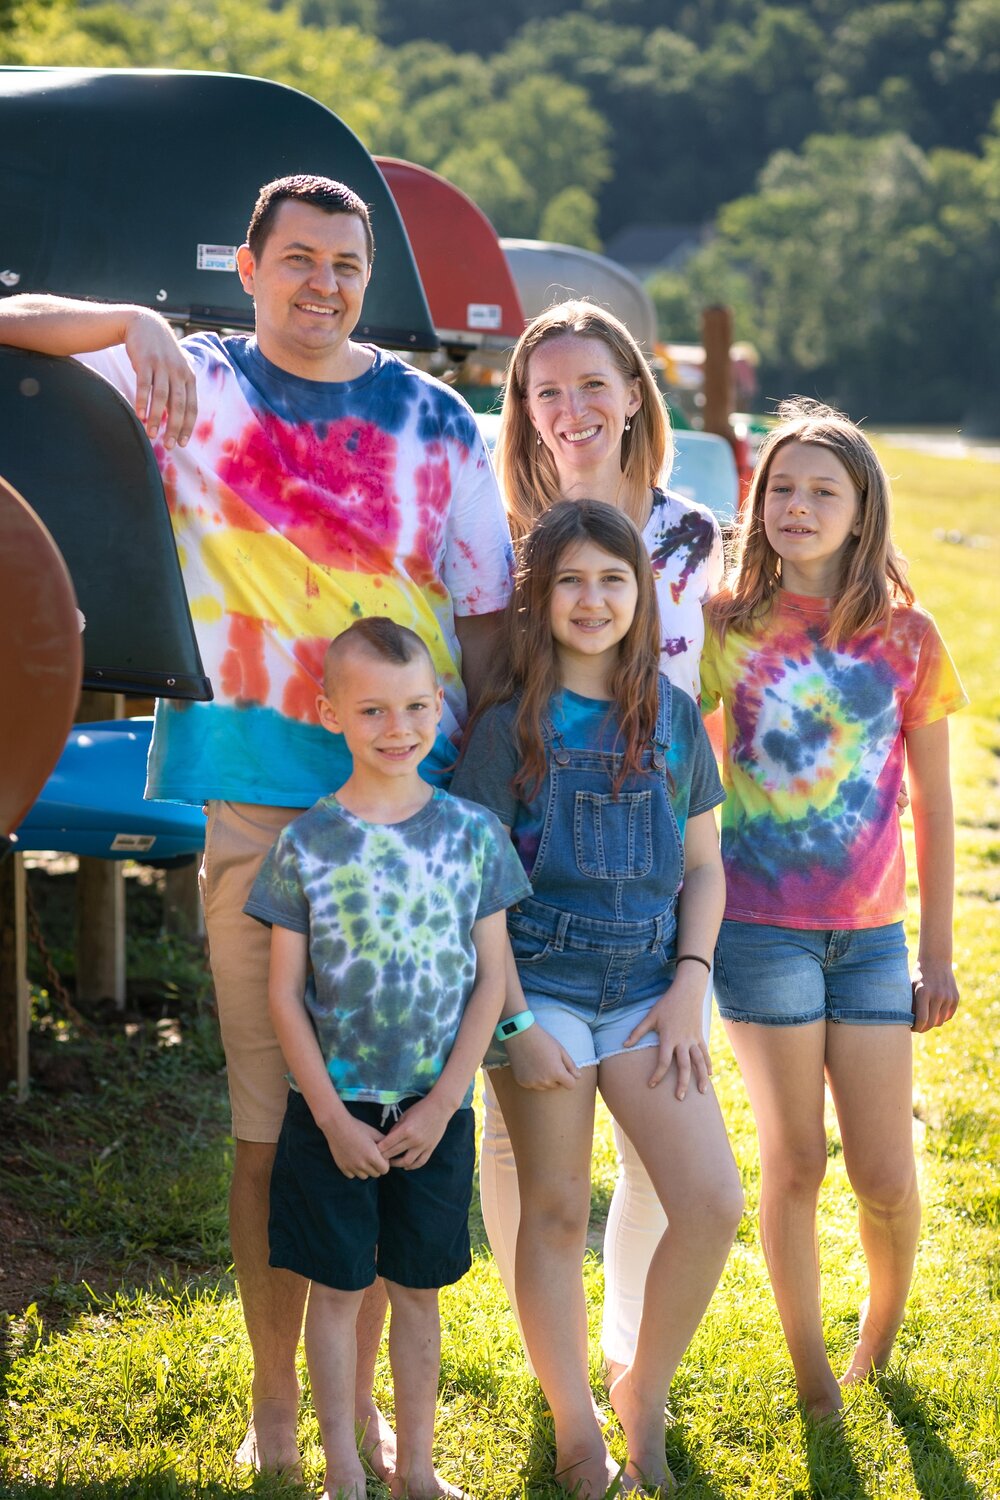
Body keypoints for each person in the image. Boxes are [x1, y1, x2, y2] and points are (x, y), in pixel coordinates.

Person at [0, 175, 514, 1475]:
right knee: (270, 1129)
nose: (324, 283)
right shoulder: (195, 383)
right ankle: (278, 1411)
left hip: (408, 819)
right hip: (259, 807)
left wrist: (486, 805)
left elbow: (492, 626)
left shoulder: (434, 421)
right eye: (298, 260)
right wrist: (129, 320)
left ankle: (391, 1430)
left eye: (345, 264)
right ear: (247, 265)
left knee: (402, 1125)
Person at [451, 501, 743, 1495]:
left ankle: (640, 1395)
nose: (592, 599)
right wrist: (517, 1022)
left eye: (611, 581)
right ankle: (577, 1430)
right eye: (570, 580)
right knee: (557, 1208)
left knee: (708, 1201)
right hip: (543, 985)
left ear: (641, 594)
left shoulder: (667, 715)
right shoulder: (504, 726)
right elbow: (481, 893)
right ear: (539, 598)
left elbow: (704, 867)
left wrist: (689, 987)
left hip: (650, 988)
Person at [701, 399, 966, 1419]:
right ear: (757, 503)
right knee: (795, 1158)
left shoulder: (907, 638)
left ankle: (877, 1338)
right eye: (782, 488)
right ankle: (810, 1371)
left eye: (824, 491)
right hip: (756, 932)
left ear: (862, 512)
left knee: (885, 1174)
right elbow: (688, 774)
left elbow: (936, 805)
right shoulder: (724, 625)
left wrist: (935, 958)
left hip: (869, 945)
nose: (798, 506)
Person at [485, 299, 725, 1381]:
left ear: (635, 393)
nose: (573, 409)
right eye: (548, 391)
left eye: (594, 385)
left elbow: (702, 678)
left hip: (655, 841)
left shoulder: (685, 535)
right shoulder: (498, 528)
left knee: (660, 1160)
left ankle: (632, 1355)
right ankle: (558, 1374)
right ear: (525, 412)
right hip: (534, 857)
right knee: (535, 1166)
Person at [244, 617, 530, 1500]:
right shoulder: (306, 845)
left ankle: (415, 1468)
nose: (397, 728)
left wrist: (448, 1101)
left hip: (433, 1114)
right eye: (372, 710)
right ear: (330, 712)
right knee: (333, 1294)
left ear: (438, 707)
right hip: (334, 1113)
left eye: (414, 707)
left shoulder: (473, 834)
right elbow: (284, 994)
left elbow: (491, 981)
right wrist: (328, 1115)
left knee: (417, 1294)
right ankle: (343, 1475)